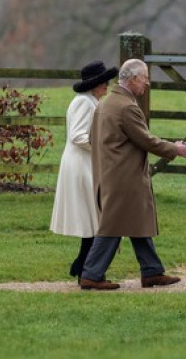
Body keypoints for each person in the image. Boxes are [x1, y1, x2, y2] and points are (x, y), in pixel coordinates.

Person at [79, 58, 186, 290]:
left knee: (136, 222)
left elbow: (93, 139)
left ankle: (152, 271)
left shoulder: (105, 103)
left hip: (109, 173)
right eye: (145, 78)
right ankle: (91, 274)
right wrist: (175, 148)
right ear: (132, 79)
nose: (147, 84)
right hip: (124, 177)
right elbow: (146, 140)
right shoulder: (127, 107)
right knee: (113, 227)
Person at [50, 60, 118, 282]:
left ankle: (83, 266)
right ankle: (85, 267)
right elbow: (78, 136)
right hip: (81, 165)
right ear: (94, 84)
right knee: (93, 218)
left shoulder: (90, 102)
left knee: (93, 219)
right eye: (103, 82)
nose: (107, 86)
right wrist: (104, 147)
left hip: (86, 162)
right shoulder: (83, 103)